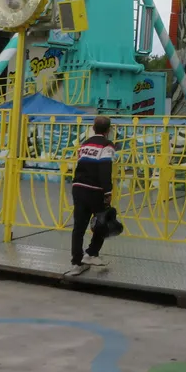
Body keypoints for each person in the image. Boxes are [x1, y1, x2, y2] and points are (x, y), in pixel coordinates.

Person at [67, 115, 116, 276]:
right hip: (95, 190)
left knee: (79, 227)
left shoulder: (84, 144)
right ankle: (92, 253)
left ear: (93, 128)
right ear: (108, 130)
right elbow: (105, 168)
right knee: (102, 222)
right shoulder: (107, 146)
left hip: (78, 188)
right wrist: (108, 191)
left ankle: (76, 262)